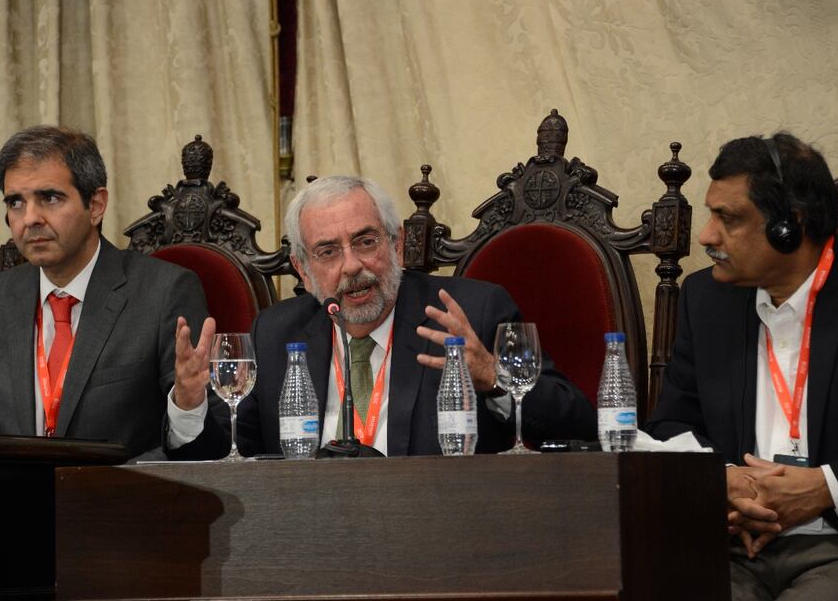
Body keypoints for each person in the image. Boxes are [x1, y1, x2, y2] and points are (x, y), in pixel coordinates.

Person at [646, 132, 838, 601]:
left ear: (790, 226)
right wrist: (722, 479)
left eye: (729, 219)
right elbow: (670, 425)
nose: (707, 237)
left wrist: (826, 487)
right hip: (733, 549)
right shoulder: (706, 300)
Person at [208, 175, 595, 456]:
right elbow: (226, 451)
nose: (351, 266)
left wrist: (493, 377)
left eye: (366, 241)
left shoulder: (472, 314)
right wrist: (187, 407)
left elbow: (579, 428)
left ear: (397, 245)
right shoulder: (275, 333)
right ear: (303, 269)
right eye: (328, 252)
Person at [0, 126, 230, 461]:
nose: (30, 218)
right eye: (16, 202)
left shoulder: (163, 293)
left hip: (121, 492)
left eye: (50, 198)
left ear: (96, 205)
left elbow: (212, 449)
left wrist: (187, 407)